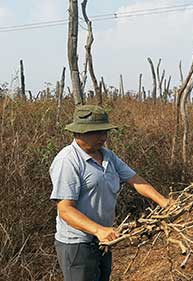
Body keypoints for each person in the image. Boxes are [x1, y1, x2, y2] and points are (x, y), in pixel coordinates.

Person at [50, 105, 172, 281]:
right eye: (97, 132)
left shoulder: (107, 155)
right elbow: (66, 210)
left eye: (105, 132)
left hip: (103, 241)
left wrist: (164, 202)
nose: (103, 137)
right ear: (80, 133)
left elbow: (135, 179)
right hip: (78, 245)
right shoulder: (67, 161)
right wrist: (98, 230)